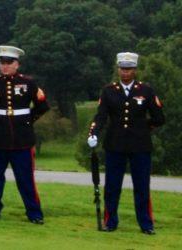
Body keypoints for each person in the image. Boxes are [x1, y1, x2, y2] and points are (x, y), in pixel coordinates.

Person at [0, 45, 49, 224]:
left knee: (25, 179)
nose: (4, 66)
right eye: (2, 63)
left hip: (22, 139)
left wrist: (29, 120)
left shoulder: (29, 84)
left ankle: (34, 213)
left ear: (17, 64)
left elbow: (43, 106)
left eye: (8, 63)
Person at [87, 52, 165, 235]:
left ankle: (146, 224)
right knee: (112, 186)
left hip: (140, 145)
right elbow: (101, 116)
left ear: (135, 70)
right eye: (122, 69)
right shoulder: (109, 91)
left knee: (142, 187)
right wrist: (94, 133)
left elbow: (159, 117)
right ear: (118, 69)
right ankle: (111, 221)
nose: (125, 73)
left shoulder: (146, 90)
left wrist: (144, 127)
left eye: (128, 69)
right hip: (115, 144)